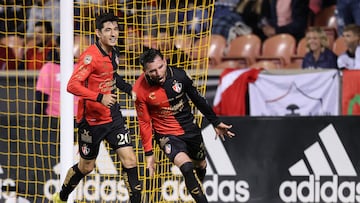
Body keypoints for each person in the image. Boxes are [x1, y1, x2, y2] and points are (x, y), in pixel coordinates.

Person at [52, 13, 142, 203]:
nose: (113, 33)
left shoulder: (114, 51)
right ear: (98, 33)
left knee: (130, 160)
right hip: (91, 122)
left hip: (113, 117)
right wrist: (100, 97)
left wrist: (129, 90)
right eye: (108, 30)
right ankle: (61, 197)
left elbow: (112, 77)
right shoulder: (89, 57)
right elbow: (72, 85)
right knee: (87, 167)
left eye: (116, 29)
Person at [133, 48, 235, 203]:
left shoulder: (180, 76)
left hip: (190, 130)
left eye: (160, 67)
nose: (158, 73)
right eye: (152, 71)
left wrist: (215, 121)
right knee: (187, 168)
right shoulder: (139, 90)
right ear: (145, 71)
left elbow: (198, 99)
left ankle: (198, 188)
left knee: (200, 165)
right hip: (166, 135)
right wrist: (148, 153)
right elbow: (144, 122)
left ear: (165, 61)